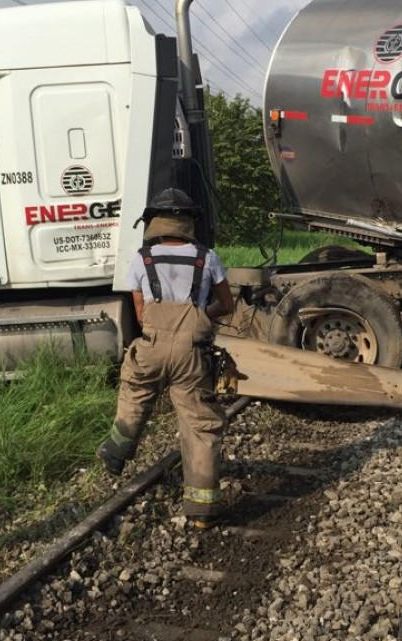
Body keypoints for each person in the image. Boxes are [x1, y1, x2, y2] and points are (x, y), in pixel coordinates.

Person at [96, 188, 234, 529]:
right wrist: (199, 317)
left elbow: (141, 314)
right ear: (189, 222)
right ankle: (201, 510)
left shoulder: (142, 259)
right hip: (191, 353)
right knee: (200, 424)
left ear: (153, 222)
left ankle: (115, 454)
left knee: (135, 395)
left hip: (152, 345)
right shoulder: (208, 258)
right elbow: (227, 305)